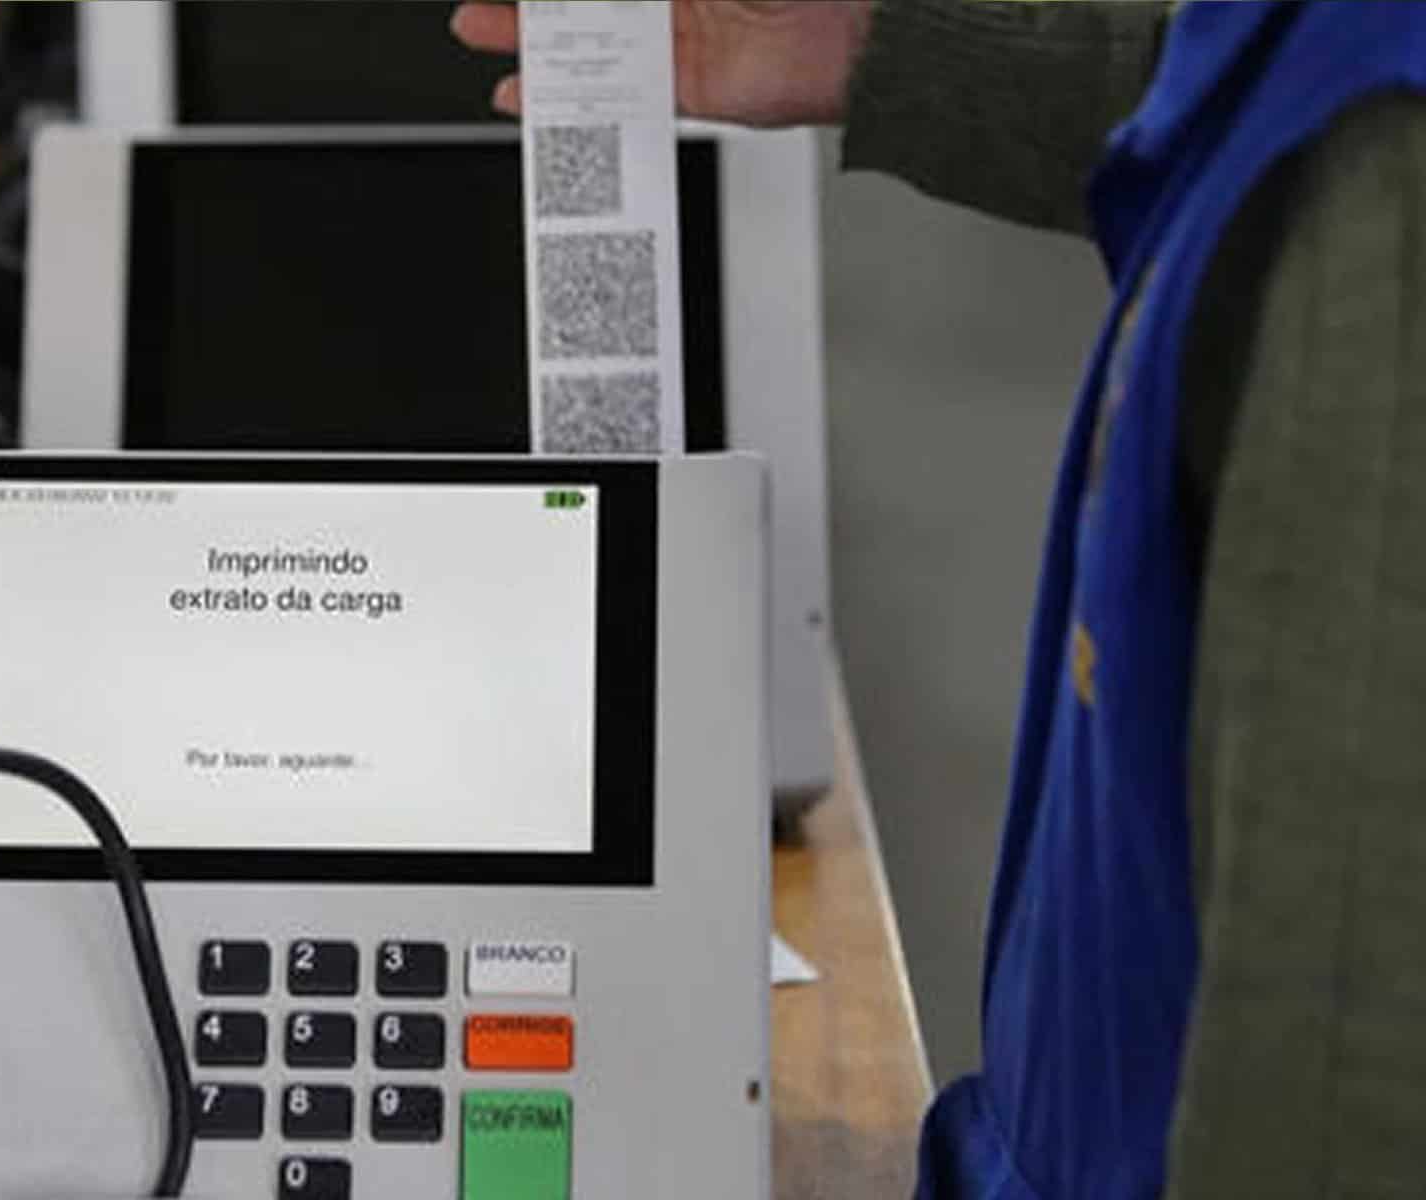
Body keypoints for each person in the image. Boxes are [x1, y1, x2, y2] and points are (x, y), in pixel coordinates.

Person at [453, 3, 1426, 1198]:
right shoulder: (1313, 66)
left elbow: (1342, 1064)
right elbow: (1210, 81)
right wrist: (876, 44)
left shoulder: (1386, 175)